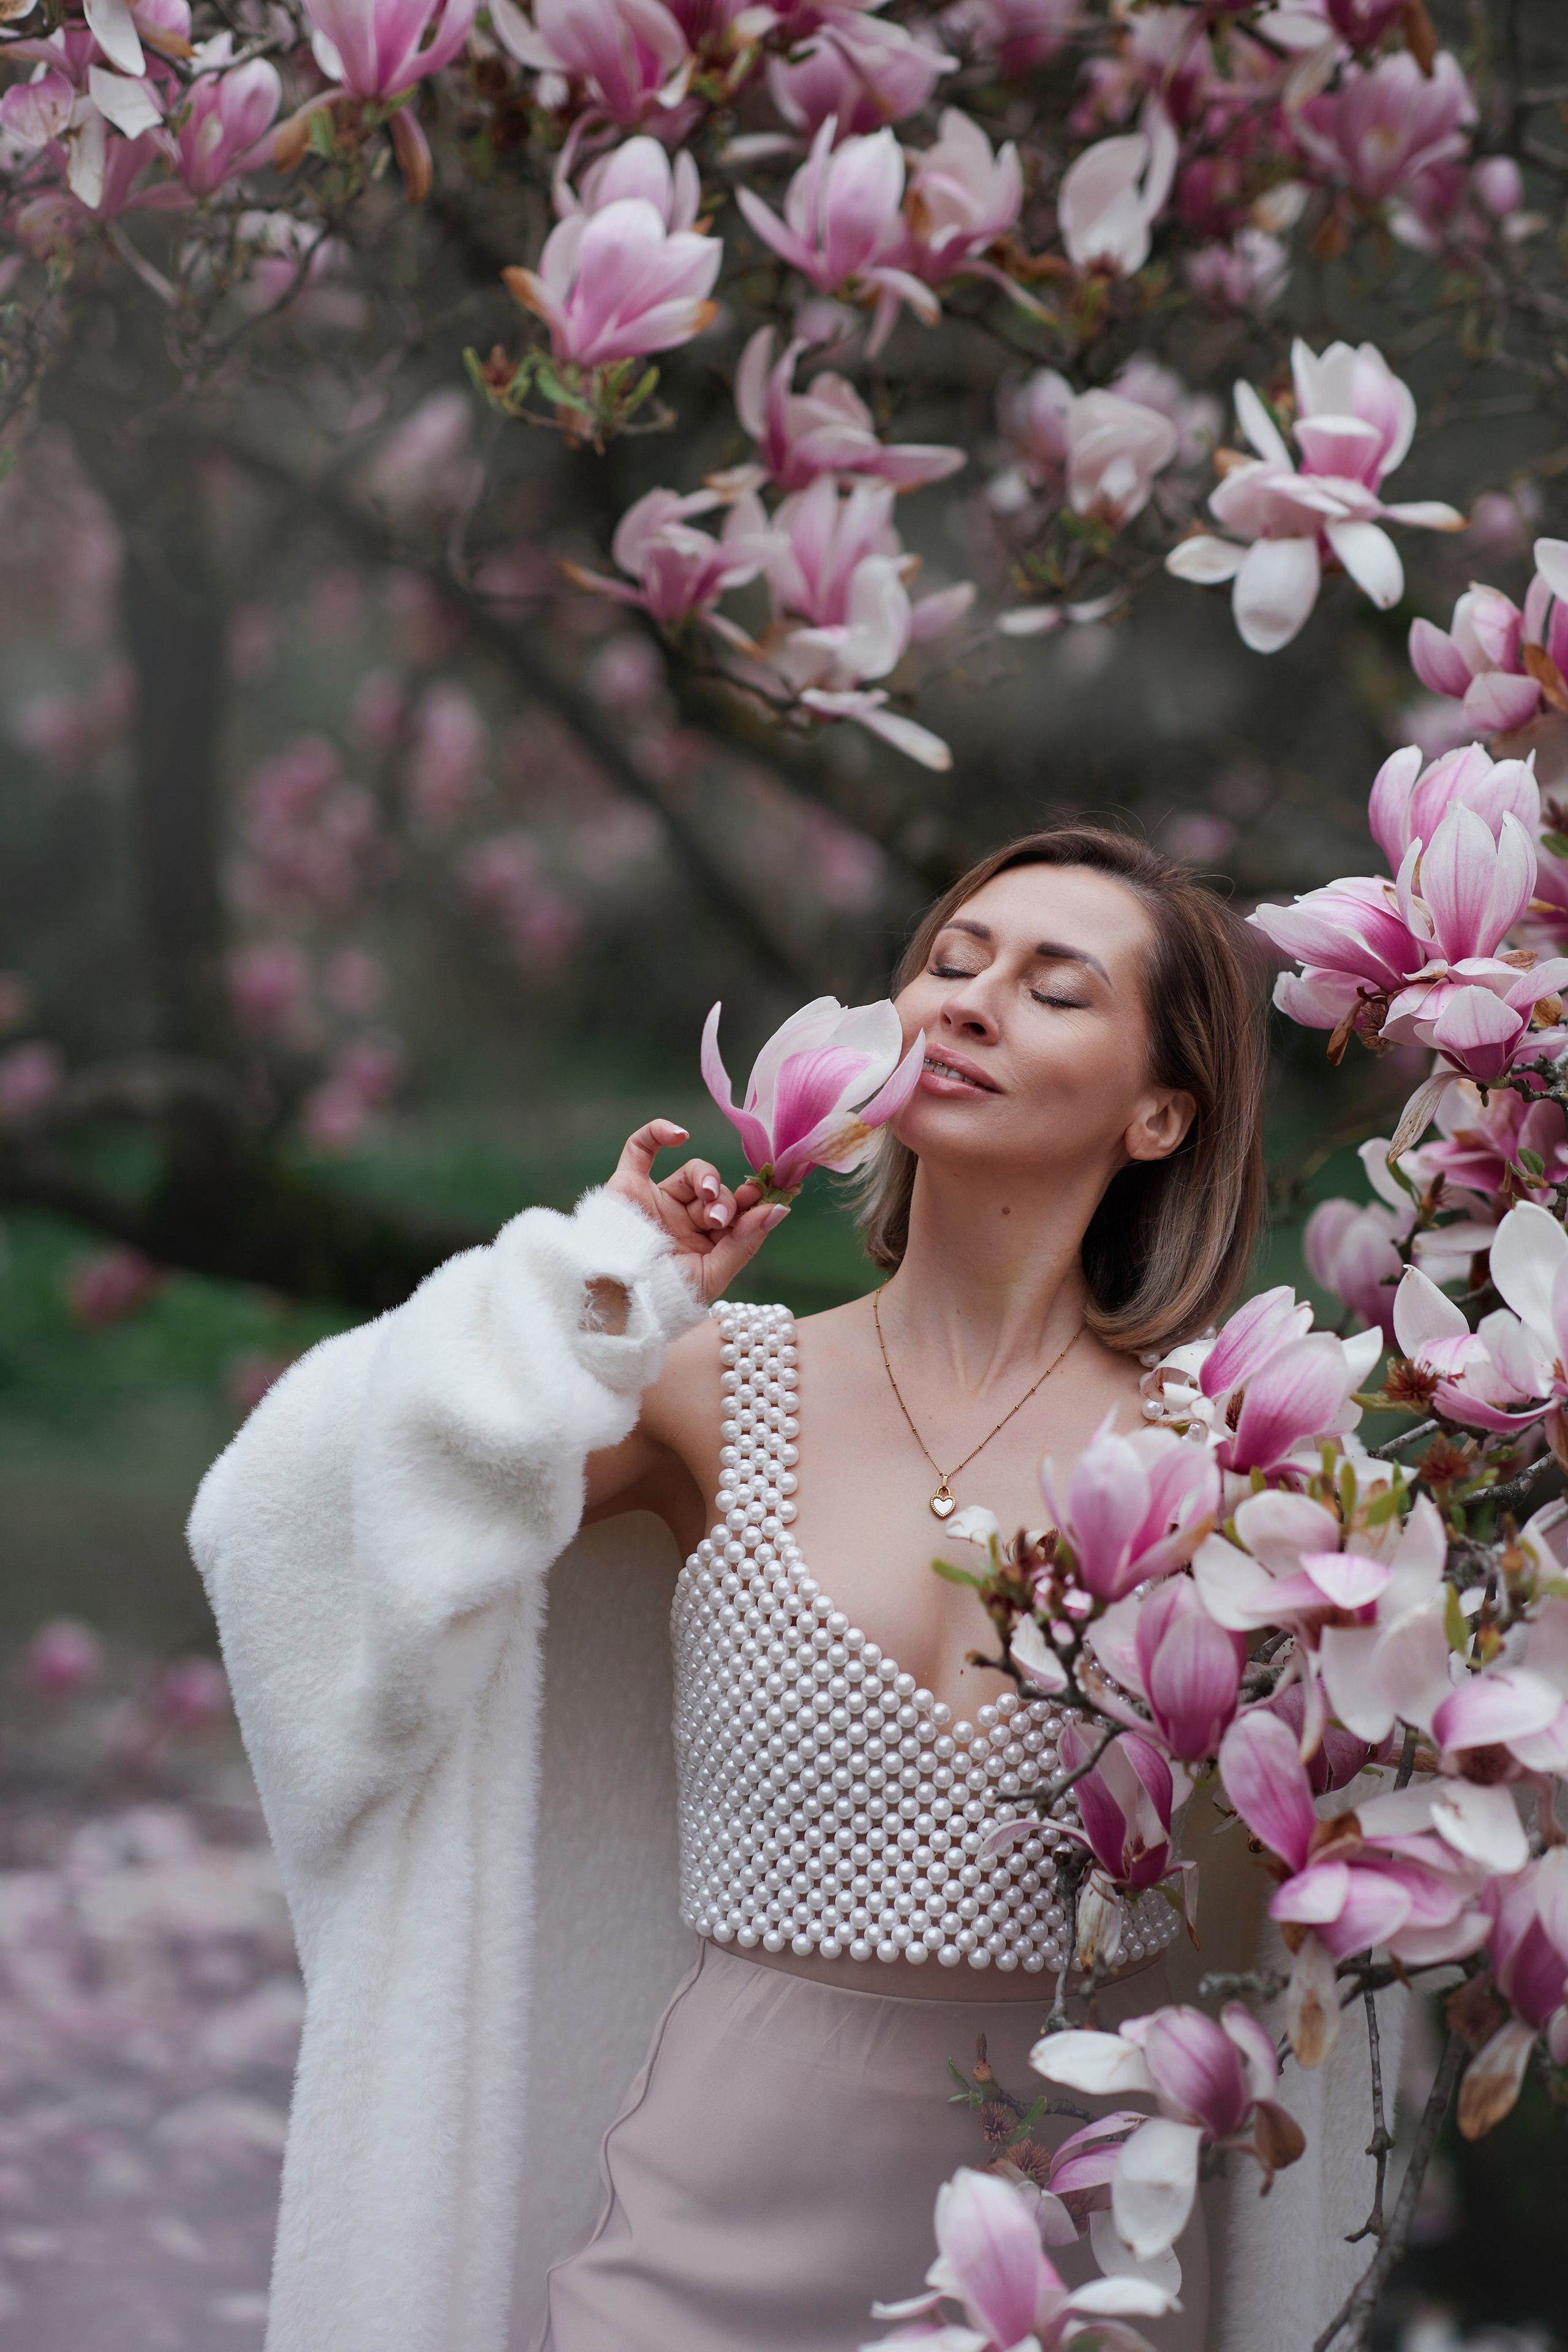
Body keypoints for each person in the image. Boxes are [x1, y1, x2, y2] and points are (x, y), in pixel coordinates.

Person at [189, 826, 1355, 2352]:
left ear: (1156, 1114)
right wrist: (596, 1294)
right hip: (700, 2232)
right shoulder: (704, 1393)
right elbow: (303, 1511)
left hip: (1075, 2225)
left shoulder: (1229, 1457)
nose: (967, 1002)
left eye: (1052, 988)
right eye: (948, 963)